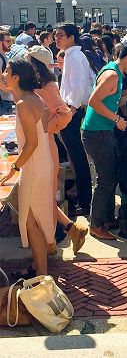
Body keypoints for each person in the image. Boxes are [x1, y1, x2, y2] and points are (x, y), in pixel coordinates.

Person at [81, 41, 127, 240]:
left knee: (110, 176)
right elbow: (93, 101)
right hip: (97, 132)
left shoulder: (114, 72)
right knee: (105, 179)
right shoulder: (112, 74)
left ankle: (106, 218)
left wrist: (125, 100)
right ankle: (96, 225)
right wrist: (117, 119)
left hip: (102, 131)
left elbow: (107, 99)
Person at [27, 46, 88, 255]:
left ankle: (53, 240)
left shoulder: (47, 85)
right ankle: (66, 231)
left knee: (42, 195)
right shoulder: (33, 84)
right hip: (39, 143)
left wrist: (46, 128)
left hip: (44, 143)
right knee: (41, 195)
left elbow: (65, 113)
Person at [0, 58, 54, 276]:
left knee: (32, 223)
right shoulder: (33, 98)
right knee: (34, 220)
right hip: (41, 163)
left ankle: (42, 276)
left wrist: (15, 168)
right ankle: (40, 272)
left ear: (17, 77)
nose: (3, 74)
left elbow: (31, 143)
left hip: (34, 166)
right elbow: (46, 122)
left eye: (7, 71)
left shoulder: (24, 103)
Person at [55, 24, 95, 216]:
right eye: (56, 35)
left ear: (71, 37)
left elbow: (79, 87)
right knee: (75, 158)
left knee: (78, 158)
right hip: (71, 110)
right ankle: (83, 198)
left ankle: (85, 202)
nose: (57, 39)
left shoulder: (75, 56)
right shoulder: (71, 55)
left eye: (60, 35)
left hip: (73, 112)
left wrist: (69, 111)